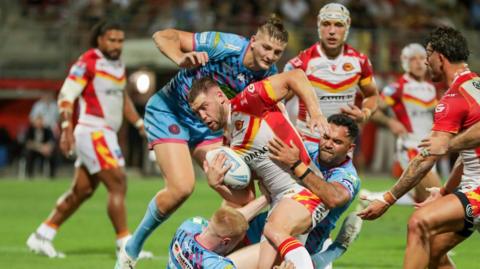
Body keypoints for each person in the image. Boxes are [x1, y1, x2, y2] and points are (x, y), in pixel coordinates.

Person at [116, 15, 289, 268]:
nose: (271, 55)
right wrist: (180, 58)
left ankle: (206, 252)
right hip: (170, 112)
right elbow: (162, 36)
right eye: (266, 47)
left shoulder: (268, 75)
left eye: (277, 52)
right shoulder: (226, 45)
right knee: (182, 187)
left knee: (244, 195)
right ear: (253, 42)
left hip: (207, 127)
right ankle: (130, 251)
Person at [188, 70, 359, 268]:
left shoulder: (248, 101)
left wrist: (315, 113)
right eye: (196, 112)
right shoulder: (230, 142)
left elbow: (295, 76)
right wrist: (216, 184)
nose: (202, 116)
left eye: (204, 107)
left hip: (304, 191)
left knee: (273, 228)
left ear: (219, 96)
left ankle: (328, 253)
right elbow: (246, 198)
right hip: (279, 203)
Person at [26, 20, 151, 259]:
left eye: (120, 40)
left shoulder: (119, 65)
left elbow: (123, 100)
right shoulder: (88, 62)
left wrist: (139, 124)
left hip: (105, 133)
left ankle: (42, 236)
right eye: (112, 40)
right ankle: (125, 245)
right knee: (118, 183)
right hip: (93, 130)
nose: (117, 45)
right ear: (100, 40)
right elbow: (66, 95)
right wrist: (65, 128)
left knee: (81, 191)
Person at [358, 26, 479, 269]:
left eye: (428, 54)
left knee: (419, 222)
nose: (425, 61)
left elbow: (431, 154)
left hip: (446, 169)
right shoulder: (474, 85)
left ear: (440, 58)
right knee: (433, 250)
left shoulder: (453, 97)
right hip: (460, 178)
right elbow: (467, 155)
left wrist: (388, 198)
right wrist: (445, 190)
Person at [284, 3, 378, 143]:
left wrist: (365, 114)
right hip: (308, 141)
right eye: (326, 24)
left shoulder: (361, 61)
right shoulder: (300, 63)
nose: (332, 31)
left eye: (338, 25)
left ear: (347, 26)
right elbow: (279, 102)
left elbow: (372, 95)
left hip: (342, 144)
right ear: (318, 25)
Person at [367, 43, 441, 204]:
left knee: (423, 199)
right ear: (405, 62)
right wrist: (390, 122)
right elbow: (372, 109)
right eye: (413, 59)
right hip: (410, 146)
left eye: (422, 58)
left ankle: (371, 198)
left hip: (430, 146)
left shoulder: (430, 88)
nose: (419, 63)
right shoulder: (396, 87)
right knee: (436, 196)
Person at [166, 195, 268, 269]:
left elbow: (225, 221)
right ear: (226, 241)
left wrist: (266, 198)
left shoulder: (189, 225)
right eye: (238, 242)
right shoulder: (216, 265)